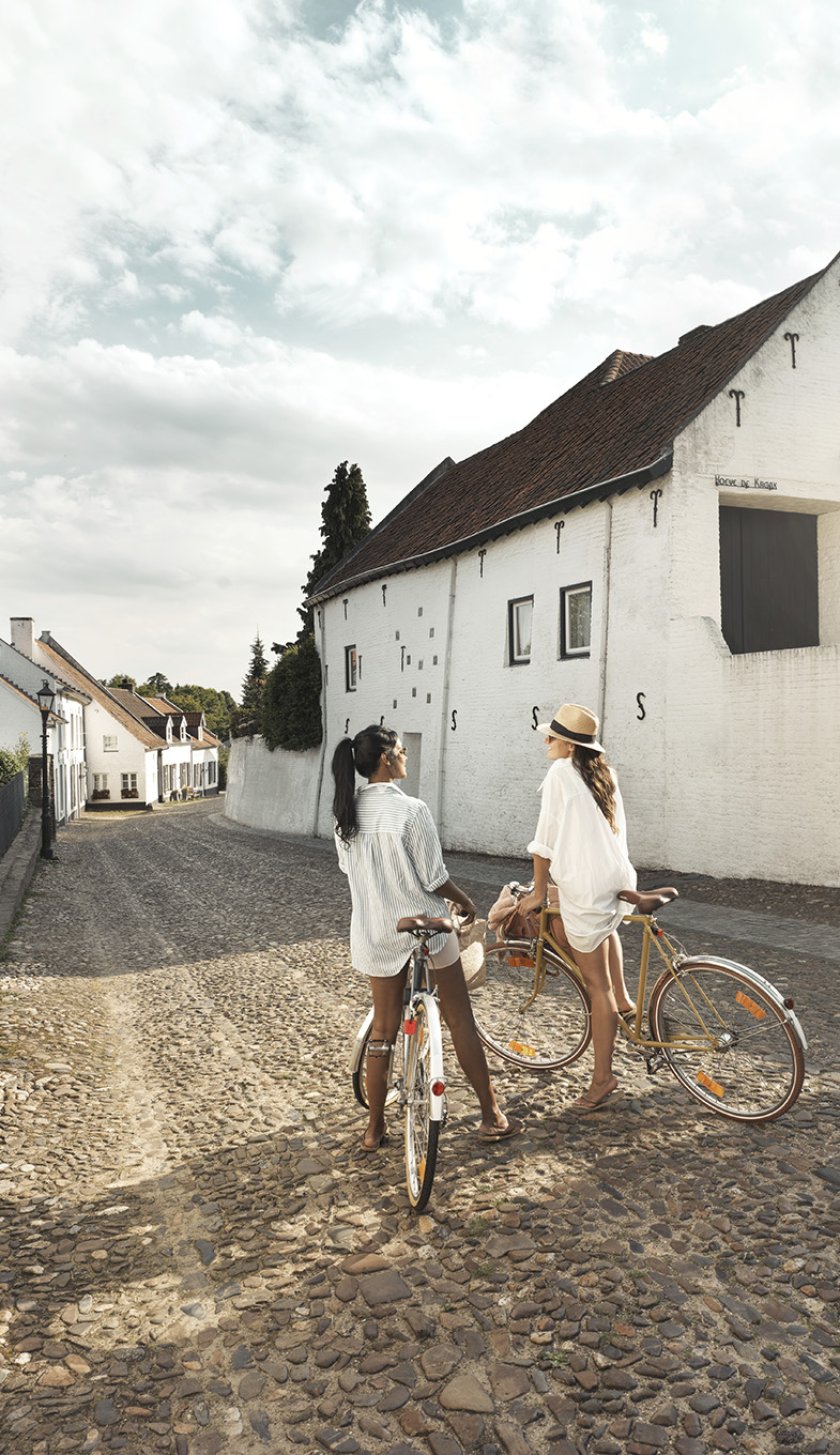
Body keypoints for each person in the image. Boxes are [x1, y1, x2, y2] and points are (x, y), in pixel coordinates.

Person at [332, 723, 521, 1151]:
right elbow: (435, 879)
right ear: (385, 759)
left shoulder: (345, 813)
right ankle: (491, 1117)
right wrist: (466, 902)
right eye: (400, 750)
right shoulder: (411, 811)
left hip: (376, 933)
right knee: (458, 1019)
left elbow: (350, 871)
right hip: (428, 930)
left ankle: (374, 1129)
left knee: (383, 1030)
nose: (405, 756)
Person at [517, 704, 638, 1114]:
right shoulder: (603, 772)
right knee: (604, 934)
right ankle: (624, 1003)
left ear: (568, 743)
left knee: (594, 987)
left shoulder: (560, 773)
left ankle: (603, 1079)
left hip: (585, 886)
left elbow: (545, 840)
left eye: (551, 736)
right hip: (614, 878)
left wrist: (537, 893)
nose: (546, 742)